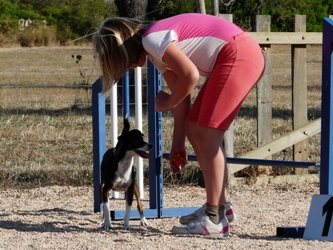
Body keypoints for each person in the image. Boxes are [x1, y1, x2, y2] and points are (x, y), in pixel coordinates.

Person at [92, 13, 265, 238]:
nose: (128, 68)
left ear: (125, 48)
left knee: (206, 132)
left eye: (122, 62)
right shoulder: (155, 50)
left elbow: (190, 76)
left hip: (238, 53)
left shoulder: (153, 40)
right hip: (237, 52)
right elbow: (183, 97)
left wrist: (167, 102)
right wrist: (178, 145)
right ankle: (220, 207)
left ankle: (215, 218)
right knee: (195, 126)